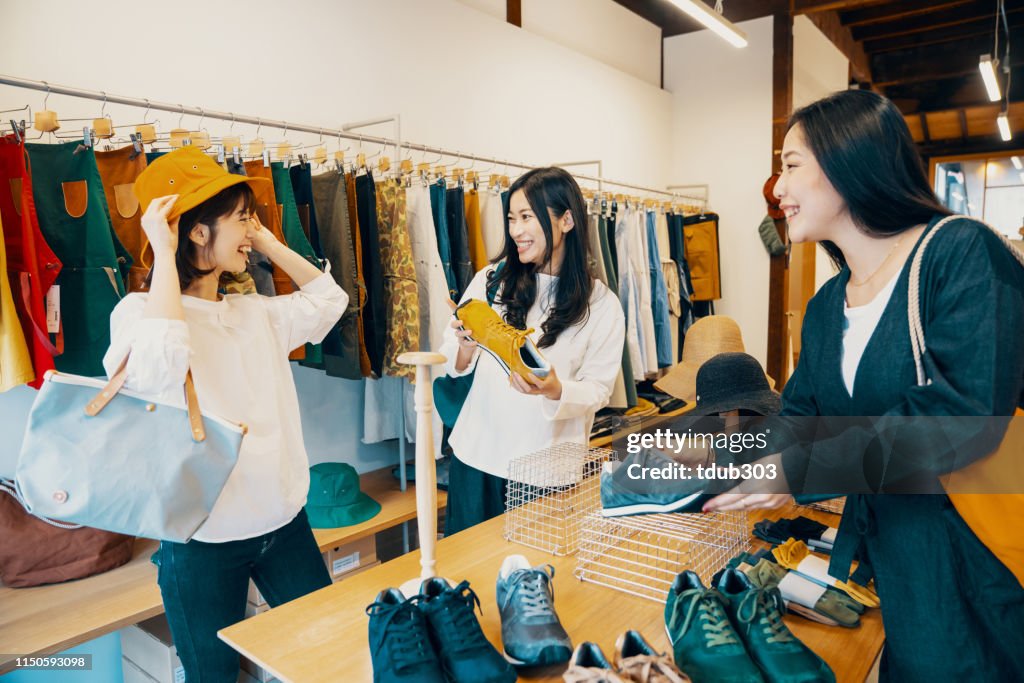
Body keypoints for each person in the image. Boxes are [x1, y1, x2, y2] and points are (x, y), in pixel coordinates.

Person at [705, 90, 1024, 679]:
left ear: (851, 161)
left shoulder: (959, 253)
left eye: (791, 164)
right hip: (898, 561)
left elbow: (963, 416)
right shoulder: (829, 303)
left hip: (978, 555)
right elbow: (801, 413)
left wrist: (798, 473)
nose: (776, 188)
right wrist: (699, 462)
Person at [105, 148, 347, 682]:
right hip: (202, 541)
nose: (251, 229)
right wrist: (163, 257)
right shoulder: (137, 316)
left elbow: (329, 302)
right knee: (212, 675)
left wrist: (263, 241)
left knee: (324, 653)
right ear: (194, 232)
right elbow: (160, 368)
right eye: (240, 218)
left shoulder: (251, 310)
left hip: (283, 524)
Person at [439, 167, 625, 534]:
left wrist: (557, 389)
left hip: (545, 470)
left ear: (567, 220)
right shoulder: (491, 280)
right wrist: (463, 346)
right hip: (476, 458)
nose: (516, 231)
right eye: (511, 219)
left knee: (531, 577)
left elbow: (600, 388)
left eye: (527, 217)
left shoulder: (602, 304)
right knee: (467, 574)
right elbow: (452, 362)